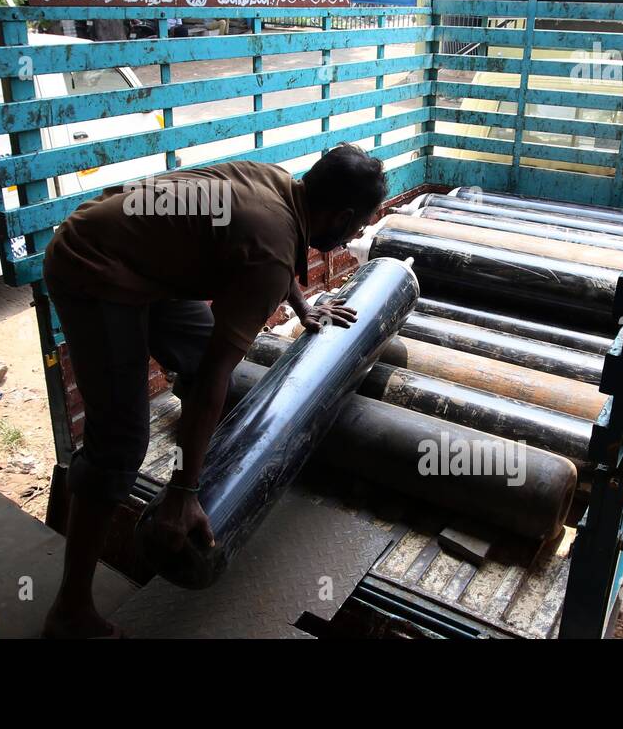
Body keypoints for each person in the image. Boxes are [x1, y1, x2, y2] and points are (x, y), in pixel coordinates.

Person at [40, 146, 387, 637]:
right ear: (343, 215)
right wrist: (181, 494)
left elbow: (275, 248)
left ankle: (203, 479)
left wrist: (304, 307)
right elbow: (213, 373)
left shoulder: (282, 187)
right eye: (356, 229)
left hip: (141, 257)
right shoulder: (270, 241)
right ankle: (69, 611)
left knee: (205, 359)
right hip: (94, 263)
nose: (353, 237)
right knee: (119, 443)